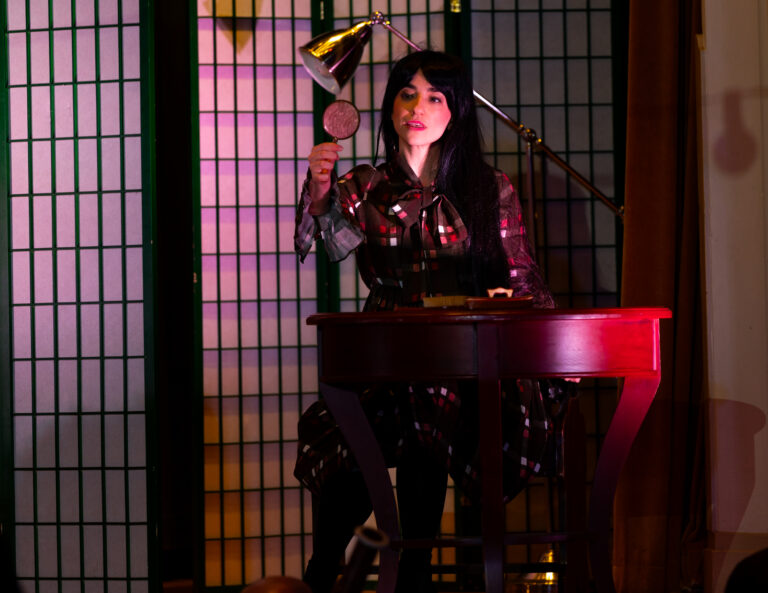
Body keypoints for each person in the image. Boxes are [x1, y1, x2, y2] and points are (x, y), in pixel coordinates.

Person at [293, 50, 564, 593]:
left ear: (455, 111)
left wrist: (549, 340)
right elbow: (331, 244)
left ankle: (403, 571)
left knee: (429, 407)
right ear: (391, 106)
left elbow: (524, 277)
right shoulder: (364, 186)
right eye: (406, 94)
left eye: (434, 97)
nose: (416, 107)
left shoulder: (487, 188)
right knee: (347, 432)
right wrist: (320, 196)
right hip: (386, 357)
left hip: (467, 361)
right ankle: (329, 570)